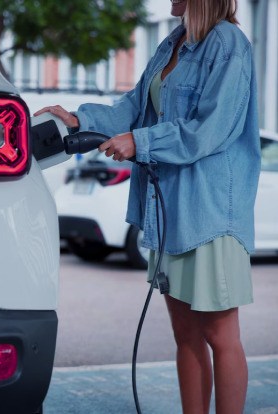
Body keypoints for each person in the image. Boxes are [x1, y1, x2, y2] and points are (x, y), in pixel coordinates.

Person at [35, 0, 260, 412]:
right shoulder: (172, 43)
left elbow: (208, 131)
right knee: (186, 336)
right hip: (168, 210)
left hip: (209, 215)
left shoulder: (228, 45)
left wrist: (141, 142)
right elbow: (134, 107)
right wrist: (78, 120)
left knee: (220, 335)